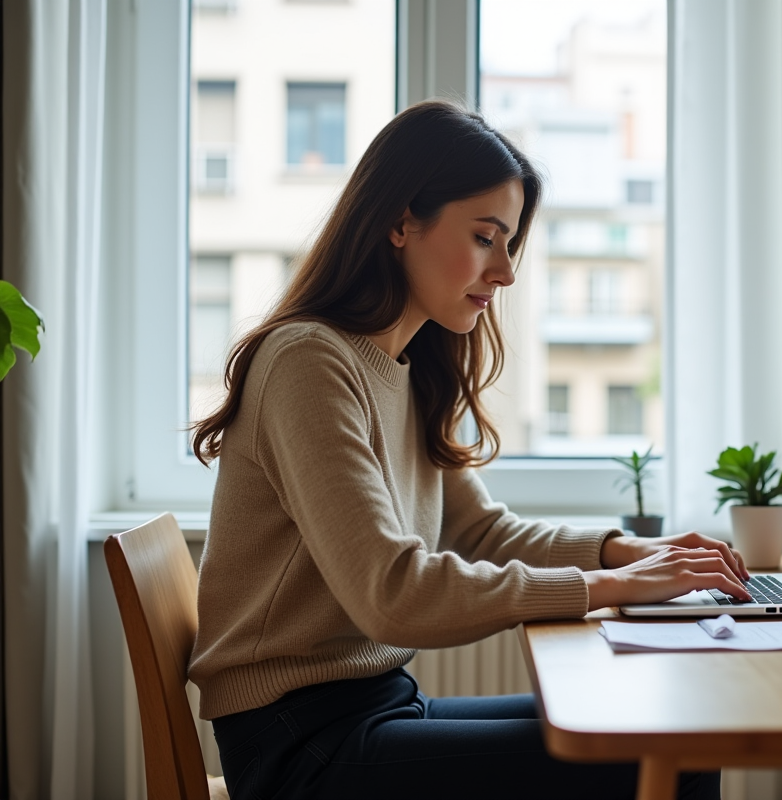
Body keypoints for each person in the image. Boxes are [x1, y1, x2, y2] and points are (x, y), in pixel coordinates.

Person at [187, 99, 751, 800]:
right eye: (487, 238)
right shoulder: (308, 362)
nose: (507, 270)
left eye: (510, 243)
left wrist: (624, 553)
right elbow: (391, 596)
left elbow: (482, 531)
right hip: (301, 747)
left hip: (379, 706)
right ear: (400, 221)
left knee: (679, 726)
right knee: (668, 754)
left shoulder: (408, 365)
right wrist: (609, 589)